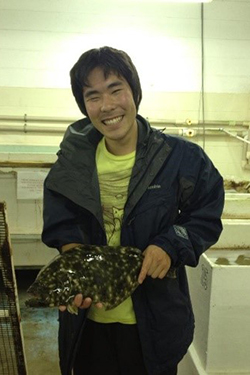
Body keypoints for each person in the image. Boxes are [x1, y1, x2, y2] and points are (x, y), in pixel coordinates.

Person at [42, 46, 224, 375]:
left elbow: (205, 216)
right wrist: (76, 270)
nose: (107, 106)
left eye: (116, 90)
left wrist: (170, 244)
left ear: (134, 92)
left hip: (154, 323)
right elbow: (61, 223)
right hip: (88, 324)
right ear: (84, 105)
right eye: (93, 96)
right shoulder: (72, 163)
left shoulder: (181, 158)